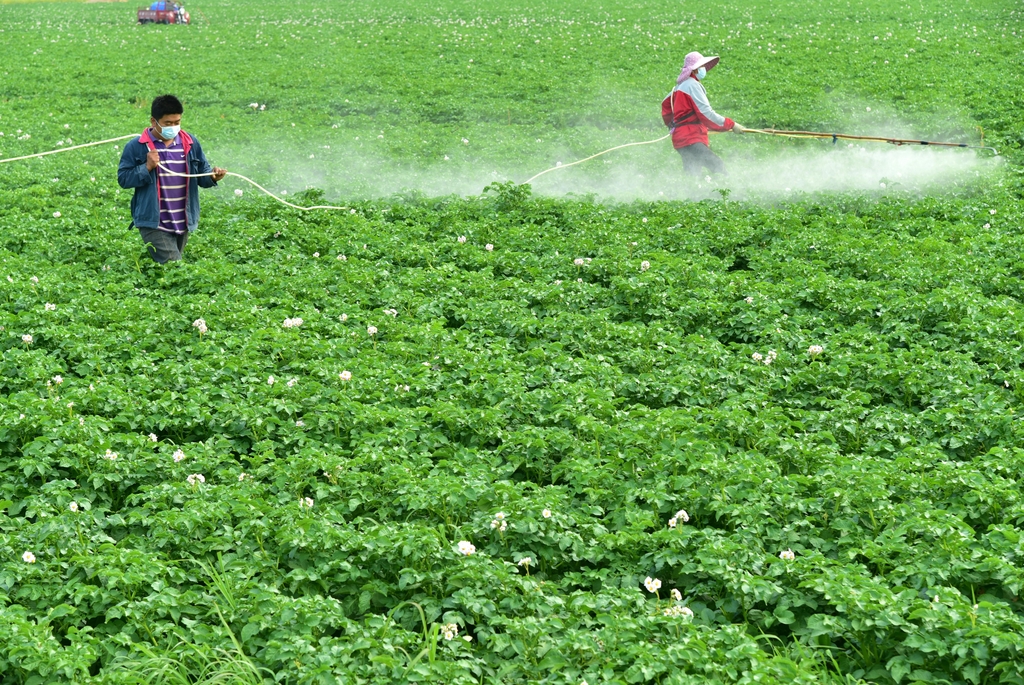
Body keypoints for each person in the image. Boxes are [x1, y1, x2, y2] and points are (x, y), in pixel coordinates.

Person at [117, 94, 226, 263]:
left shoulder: (190, 143)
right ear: (154, 121)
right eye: (168, 123)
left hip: (182, 221)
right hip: (154, 222)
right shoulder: (137, 146)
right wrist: (146, 167)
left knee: (168, 273)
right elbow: (124, 179)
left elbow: (202, 175)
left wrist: (213, 176)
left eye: (177, 122)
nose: (173, 127)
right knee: (175, 267)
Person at [661, 52, 745, 177]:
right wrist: (731, 124)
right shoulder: (692, 85)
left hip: (680, 138)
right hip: (691, 137)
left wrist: (674, 125)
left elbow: (665, 106)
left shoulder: (678, 87)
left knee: (693, 174)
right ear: (695, 70)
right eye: (702, 67)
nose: (704, 69)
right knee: (717, 165)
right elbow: (706, 114)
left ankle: (693, 195)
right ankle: (728, 189)